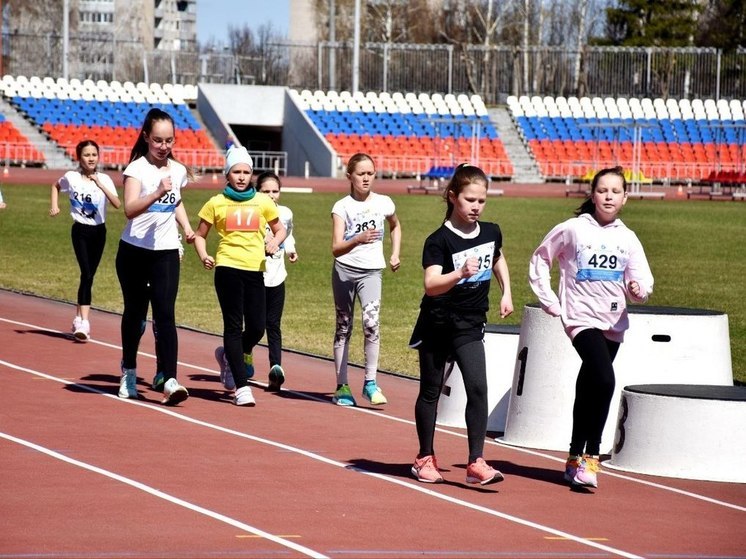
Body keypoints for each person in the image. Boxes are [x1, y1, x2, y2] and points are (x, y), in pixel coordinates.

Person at [529, 166, 654, 489]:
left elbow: (640, 277)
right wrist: (549, 300)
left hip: (613, 320)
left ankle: (572, 456)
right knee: (604, 379)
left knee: (590, 385)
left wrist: (639, 288)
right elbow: (541, 259)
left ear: (625, 198)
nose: (608, 196)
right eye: (602, 190)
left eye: (615, 191)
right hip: (580, 318)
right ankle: (592, 458)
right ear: (593, 195)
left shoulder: (628, 237)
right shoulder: (572, 229)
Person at [409, 163, 513, 485]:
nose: (476, 207)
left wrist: (506, 292)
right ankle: (424, 457)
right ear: (454, 197)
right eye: (470, 200)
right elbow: (431, 284)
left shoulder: (491, 231)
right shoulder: (438, 240)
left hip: (470, 323)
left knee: (478, 387)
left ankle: (476, 462)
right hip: (438, 322)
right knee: (431, 390)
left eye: (481, 201)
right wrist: (459, 274)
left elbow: (497, 258)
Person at [194, 146, 287, 406]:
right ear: (228, 174)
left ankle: (228, 356)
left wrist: (274, 243)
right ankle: (242, 387)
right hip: (227, 268)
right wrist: (204, 256)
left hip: (255, 270)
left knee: (257, 326)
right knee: (233, 326)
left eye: (246, 172)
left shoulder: (263, 201)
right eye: (237, 171)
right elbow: (200, 235)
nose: (242, 176)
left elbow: (280, 230)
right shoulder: (216, 202)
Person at [116, 108, 195, 405]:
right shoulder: (137, 169)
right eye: (158, 140)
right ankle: (129, 372)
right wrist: (157, 193)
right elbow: (130, 208)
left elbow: (176, 202)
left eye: (170, 140)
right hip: (134, 252)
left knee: (165, 315)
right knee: (135, 314)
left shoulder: (177, 170)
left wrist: (187, 227)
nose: (164, 146)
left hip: (165, 252)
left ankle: (171, 379)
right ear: (147, 137)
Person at [331, 153, 401, 406]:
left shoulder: (384, 203)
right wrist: (357, 240)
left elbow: (395, 225)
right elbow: (336, 248)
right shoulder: (341, 207)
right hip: (344, 271)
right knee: (343, 327)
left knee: (371, 325)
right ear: (350, 176)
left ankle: (370, 382)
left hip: (372, 272)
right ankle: (342, 385)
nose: (366, 178)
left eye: (370, 173)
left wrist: (394, 253)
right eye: (361, 173)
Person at [50, 139, 121, 341]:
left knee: (88, 276)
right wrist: (55, 205)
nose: (91, 158)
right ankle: (84, 323)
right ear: (79, 157)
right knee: (87, 273)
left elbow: (117, 204)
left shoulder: (105, 179)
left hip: (99, 232)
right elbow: (55, 186)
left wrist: (100, 184)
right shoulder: (71, 177)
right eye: (87, 155)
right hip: (80, 231)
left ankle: (77, 316)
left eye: (94, 155)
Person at [257, 171, 298, 391]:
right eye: (266, 191)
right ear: (257, 192)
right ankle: (243, 355)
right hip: (255, 276)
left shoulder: (285, 213)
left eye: (275, 191)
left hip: (277, 276)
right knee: (255, 326)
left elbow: (288, 233)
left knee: (273, 324)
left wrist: (290, 250)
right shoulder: (253, 212)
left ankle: (276, 368)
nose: (272, 195)